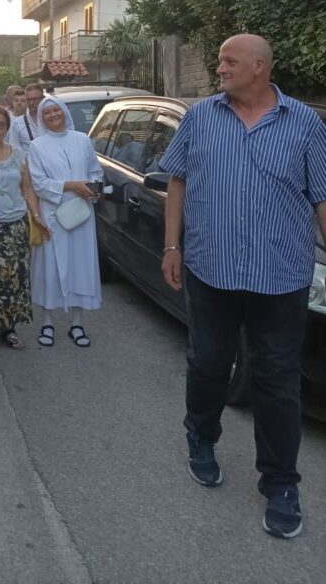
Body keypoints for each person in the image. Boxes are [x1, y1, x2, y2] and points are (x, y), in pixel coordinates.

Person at [159, 34, 326, 540]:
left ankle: (280, 484)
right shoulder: (201, 116)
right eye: (219, 59)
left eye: (229, 60)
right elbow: (178, 179)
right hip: (213, 270)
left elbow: (321, 198)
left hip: (281, 277)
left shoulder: (305, 124)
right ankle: (201, 438)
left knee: (277, 381)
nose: (220, 66)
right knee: (208, 363)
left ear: (259, 67)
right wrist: (172, 246)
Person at [28, 96, 102, 348]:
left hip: (81, 214)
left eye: (55, 110)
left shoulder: (82, 140)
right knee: (50, 269)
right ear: (41, 117)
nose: (52, 115)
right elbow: (38, 183)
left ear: (63, 112)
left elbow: (95, 171)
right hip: (52, 215)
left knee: (81, 267)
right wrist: (71, 185)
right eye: (46, 112)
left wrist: (92, 187)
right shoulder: (37, 146)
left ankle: (77, 324)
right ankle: (47, 322)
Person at [0, 104, 47, 350]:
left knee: (16, 278)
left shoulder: (17, 154)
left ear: (7, 128)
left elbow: (27, 188)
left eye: (1, 125)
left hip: (15, 226)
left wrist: (35, 215)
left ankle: (10, 327)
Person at [10, 83, 45, 154]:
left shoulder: (50, 119)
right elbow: (14, 148)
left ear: (43, 98)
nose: (31, 102)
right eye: (28, 100)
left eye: (35, 99)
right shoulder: (18, 123)